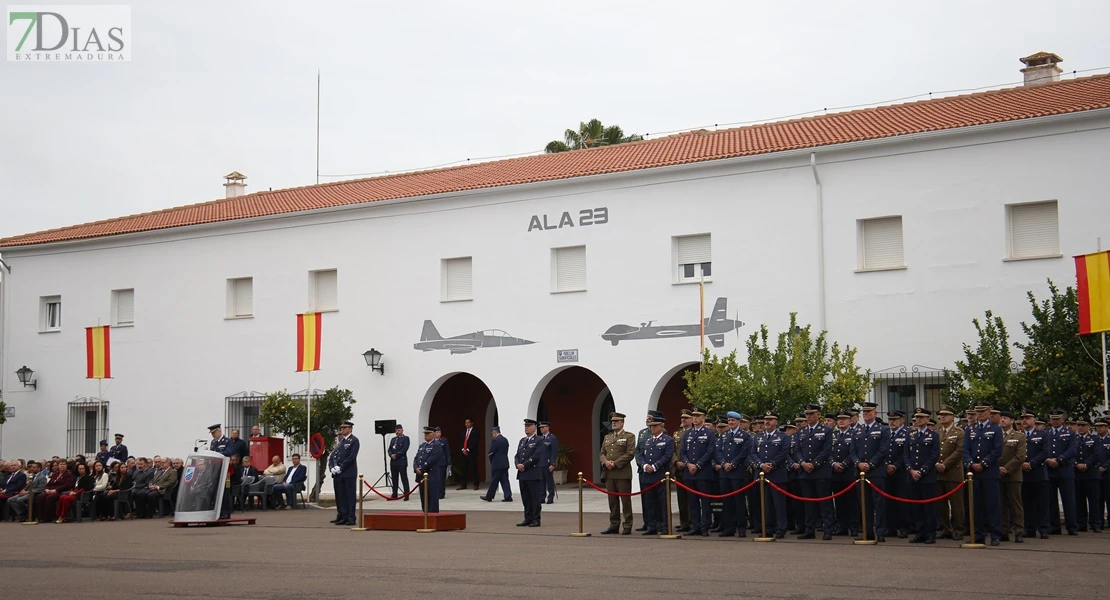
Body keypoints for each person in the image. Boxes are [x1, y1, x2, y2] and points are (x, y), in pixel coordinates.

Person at [964, 403, 1003, 545]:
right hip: (974, 473)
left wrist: (984, 463)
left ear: (988, 412)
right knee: (976, 505)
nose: (979, 414)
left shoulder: (996, 429)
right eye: (977, 412)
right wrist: (971, 463)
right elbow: (966, 449)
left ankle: (995, 535)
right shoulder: (970, 429)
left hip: (989, 472)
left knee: (992, 505)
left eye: (982, 411)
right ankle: (978, 534)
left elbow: (997, 450)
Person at [794, 403, 833, 540]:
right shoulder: (801, 431)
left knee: (824, 502)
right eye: (807, 414)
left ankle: (828, 529)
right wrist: (803, 463)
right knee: (808, 503)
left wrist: (814, 464)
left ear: (818, 415)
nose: (809, 416)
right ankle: (809, 529)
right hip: (805, 471)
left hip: (820, 471)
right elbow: (797, 450)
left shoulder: (826, 430)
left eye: (811, 414)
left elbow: (826, 450)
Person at [854, 401, 890, 542]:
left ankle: (880, 532)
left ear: (875, 413)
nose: (866, 414)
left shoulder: (883, 429)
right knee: (865, 504)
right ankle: (867, 532)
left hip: (876, 472)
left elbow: (883, 450)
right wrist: (858, 463)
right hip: (861, 473)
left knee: (879, 504)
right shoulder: (858, 431)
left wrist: (871, 464)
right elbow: (853, 451)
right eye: (864, 412)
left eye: (869, 412)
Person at [750, 411, 790, 538]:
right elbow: (752, 453)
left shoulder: (783, 437)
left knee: (779, 504)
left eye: (770, 419)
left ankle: (781, 528)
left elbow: (784, 453)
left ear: (776, 422)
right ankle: (768, 527)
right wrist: (761, 465)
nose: (767, 422)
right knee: (766, 504)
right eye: (766, 419)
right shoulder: (758, 436)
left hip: (777, 474)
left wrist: (771, 464)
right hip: (762, 475)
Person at [635, 410, 673, 535]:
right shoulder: (647, 440)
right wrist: (645, 465)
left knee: (663, 503)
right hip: (648, 475)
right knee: (650, 502)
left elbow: (667, 456)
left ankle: (665, 526)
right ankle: (651, 526)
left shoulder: (668, 440)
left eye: (655, 426)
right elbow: (640, 454)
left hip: (661, 475)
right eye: (651, 426)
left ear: (661, 426)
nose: (652, 428)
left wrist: (655, 466)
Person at [905, 408, 939, 544]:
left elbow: (934, 455)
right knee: (916, 506)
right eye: (916, 417)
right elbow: (906, 455)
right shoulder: (911, 435)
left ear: (927, 419)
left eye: (921, 417)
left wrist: (923, 470)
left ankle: (930, 533)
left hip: (927, 476)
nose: (918, 420)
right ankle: (920, 532)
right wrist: (911, 470)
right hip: (913, 475)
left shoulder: (933, 435)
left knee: (929, 506)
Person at [680, 406, 715, 537]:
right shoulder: (688, 433)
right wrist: (688, 464)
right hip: (689, 472)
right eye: (693, 416)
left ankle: (705, 526)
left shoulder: (709, 433)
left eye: (697, 416)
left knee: (705, 501)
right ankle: (696, 526)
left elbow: (710, 451)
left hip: (703, 472)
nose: (695, 418)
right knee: (692, 501)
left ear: (703, 418)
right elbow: (682, 451)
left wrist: (698, 465)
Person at [599, 412, 636, 535]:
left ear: (622, 423)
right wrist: (605, 462)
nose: (614, 423)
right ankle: (614, 525)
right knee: (612, 501)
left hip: (622, 472)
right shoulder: (607, 437)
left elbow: (630, 453)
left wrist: (615, 463)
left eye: (617, 421)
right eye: (613, 421)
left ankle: (627, 525)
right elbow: (602, 453)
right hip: (609, 473)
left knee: (625, 501)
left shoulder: (629, 436)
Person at [715, 411, 749, 537]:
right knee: (727, 501)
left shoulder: (744, 435)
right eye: (729, 421)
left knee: (739, 501)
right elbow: (718, 451)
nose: (730, 423)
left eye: (733, 421)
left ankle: (741, 528)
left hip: (737, 472)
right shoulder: (723, 436)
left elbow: (744, 452)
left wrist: (733, 464)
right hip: (725, 473)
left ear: (738, 422)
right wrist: (724, 463)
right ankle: (729, 528)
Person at [934, 405, 965, 541]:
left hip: (953, 471)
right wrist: (936, 464)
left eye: (945, 415)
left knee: (957, 504)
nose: (942, 417)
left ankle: (958, 529)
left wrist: (945, 464)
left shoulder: (959, 432)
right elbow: (933, 450)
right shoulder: (936, 432)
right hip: (938, 472)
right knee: (941, 504)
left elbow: (959, 451)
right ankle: (946, 529)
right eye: (941, 415)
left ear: (952, 417)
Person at [1044, 409, 1078, 535]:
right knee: (1051, 500)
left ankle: (1072, 526)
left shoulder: (1069, 433)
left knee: (1068, 499)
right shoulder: (1047, 434)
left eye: (1057, 419)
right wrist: (1047, 459)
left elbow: (1073, 449)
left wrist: (1059, 459)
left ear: (1062, 419)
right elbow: (1043, 449)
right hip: (1050, 470)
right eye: (1053, 419)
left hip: (1065, 469)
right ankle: (1054, 526)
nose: (1055, 421)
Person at [829, 410, 859, 536]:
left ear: (850, 421)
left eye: (844, 419)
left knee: (852, 501)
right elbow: (828, 452)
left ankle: (854, 527)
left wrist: (844, 464)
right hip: (835, 473)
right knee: (839, 501)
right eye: (839, 419)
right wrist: (833, 463)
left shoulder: (854, 434)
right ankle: (842, 526)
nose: (841, 421)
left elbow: (854, 452)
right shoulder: (833, 435)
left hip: (849, 472)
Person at [1020, 409, 1049, 538]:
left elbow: (1045, 452)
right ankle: (1029, 528)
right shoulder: (1018, 434)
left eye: (1028, 418)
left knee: (1041, 503)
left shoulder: (1043, 434)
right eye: (1023, 418)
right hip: (1022, 473)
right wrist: (1021, 463)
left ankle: (1043, 528)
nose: (1025, 420)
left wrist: (1031, 463)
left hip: (1038, 472)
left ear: (1034, 420)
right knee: (1026, 502)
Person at [998, 410, 1027, 542]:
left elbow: (1020, 456)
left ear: (1012, 421)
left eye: (1005, 418)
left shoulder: (1019, 436)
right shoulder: (996, 435)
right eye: (1001, 418)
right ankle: (1003, 531)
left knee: (1016, 505)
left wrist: (1006, 468)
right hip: (998, 474)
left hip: (1013, 475)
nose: (1002, 420)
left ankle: (1019, 531)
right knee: (1001, 504)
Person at [1073, 416, 1101, 532]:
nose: (1081, 428)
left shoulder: (1095, 439)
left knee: (1094, 500)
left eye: (1083, 425)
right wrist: (1076, 464)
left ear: (1089, 427)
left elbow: (1097, 454)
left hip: (1091, 473)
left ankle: (1095, 523)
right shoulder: (1073, 439)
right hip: (1077, 473)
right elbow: (1071, 452)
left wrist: (1086, 464)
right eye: (1079, 425)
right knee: (1079, 500)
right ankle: (1081, 523)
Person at [329, 420, 359, 526]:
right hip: (339, 473)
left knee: (349, 496)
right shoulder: (342, 441)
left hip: (348, 472)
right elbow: (334, 456)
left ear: (350, 428)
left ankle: (351, 517)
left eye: (344, 428)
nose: (342, 430)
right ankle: (343, 515)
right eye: (342, 428)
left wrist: (341, 467)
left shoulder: (354, 440)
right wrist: (333, 467)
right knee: (341, 496)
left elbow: (351, 457)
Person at [515, 419, 544, 527]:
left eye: (528, 426)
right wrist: (517, 464)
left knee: (534, 498)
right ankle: (528, 518)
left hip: (532, 472)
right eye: (525, 426)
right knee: (526, 498)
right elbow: (517, 455)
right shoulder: (523, 441)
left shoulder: (538, 440)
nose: (526, 428)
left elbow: (536, 456)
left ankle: (536, 519)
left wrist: (525, 465)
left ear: (534, 428)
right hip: (522, 474)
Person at [672, 409, 693, 532]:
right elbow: (672, 451)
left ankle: (693, 522)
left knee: (692, 498)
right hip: (679, 469)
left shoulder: (693, 433)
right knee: (681, 498)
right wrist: (676, 462)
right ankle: (684, 522)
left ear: (691, 419)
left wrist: (687, 463)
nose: (683, 420)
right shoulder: (677, 434)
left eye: (686, 418)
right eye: (682, 418)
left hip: (690, 468)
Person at [414, 426, 443, 513]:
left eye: (428, 434)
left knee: (432, 497)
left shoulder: (437, 445)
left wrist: (422, 468)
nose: (425, 436)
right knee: (424, 497)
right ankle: (425, 514)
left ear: (433, 434)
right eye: (425, 434)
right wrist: (416, 468)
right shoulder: (422, 445)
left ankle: (433, 516)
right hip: (421, 475)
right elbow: (416, 458)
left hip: (431, 475)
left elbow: (432, 459)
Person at [481, 425, 512, 502]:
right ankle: (508, 496)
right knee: (505, 480)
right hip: (505, 463)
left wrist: (490, 460)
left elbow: (491, 452)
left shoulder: (495, 441)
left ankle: (489, 496)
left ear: (494, 433)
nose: (492, 435)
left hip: (497, 464)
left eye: (492, 434)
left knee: (494, 481)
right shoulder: (505, 440)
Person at [456, 418, 481, 491]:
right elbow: (460, 441)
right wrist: (463, 449)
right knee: (463, 469)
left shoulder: (475, 432)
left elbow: (475, 442)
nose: (467, 424)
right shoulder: (463, 432)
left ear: (472, 423)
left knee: (474, 469)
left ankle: (476, 484)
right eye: (465, 423)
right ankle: (463, 484)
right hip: (463, 453)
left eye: (468, 422)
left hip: (472, 453)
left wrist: (468, 449)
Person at [389, 423, 410, 500]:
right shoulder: (393, 439)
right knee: (394, 478)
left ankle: (406, 494)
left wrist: (396, 455)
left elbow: (404, 449)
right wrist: (391, 455)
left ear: (402, 430)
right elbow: (389, 449)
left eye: (399, 430)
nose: (397, 432)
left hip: (401, 461)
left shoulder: (405, 438)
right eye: (396, 430)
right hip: (393, 462)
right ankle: (394, 494)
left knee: (403, 478)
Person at [539, 421, 558, 504]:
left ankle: (551, 497)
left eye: (543, 427)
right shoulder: (540, 438)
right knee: (541, 481)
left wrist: (553, 463)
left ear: (547, 428)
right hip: (541, 463)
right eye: (540, 428)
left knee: (549, 481)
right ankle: (542, 497)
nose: (541, 429)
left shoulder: (552, 438)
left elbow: (554, 452)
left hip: (548, 463)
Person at [434, 428, 449, 499]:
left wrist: (449, 462)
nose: (438, 434)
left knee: (441, 479)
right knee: (435, 479)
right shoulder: (432, 441)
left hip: (442, 462)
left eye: (439, 432)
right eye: (437, 432)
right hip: (434, 463)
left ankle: (441, 493)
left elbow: (447, 451)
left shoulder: (444, 440)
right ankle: (436, 492)